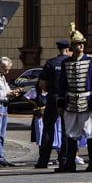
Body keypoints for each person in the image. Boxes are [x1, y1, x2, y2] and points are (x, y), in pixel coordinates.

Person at [55, 23, 92, 172]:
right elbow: (62, 85)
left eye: (82, 43)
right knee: (71, 133)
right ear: (72, 46)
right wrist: (60, 104)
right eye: (77, 44)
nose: (80, 46)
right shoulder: (66, 62)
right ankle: (70, 163)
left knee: (90, 133)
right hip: (70, 102)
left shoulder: (91, 60)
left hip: (87, 101)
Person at [34, 40, 72, 169]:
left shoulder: (51, 63)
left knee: (48, 129)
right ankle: (64, 160)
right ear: (67, 49)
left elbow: (42, 83)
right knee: (66, 130)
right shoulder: (71, 62)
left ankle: (43, 160)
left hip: (53, 97)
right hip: (67, 98)